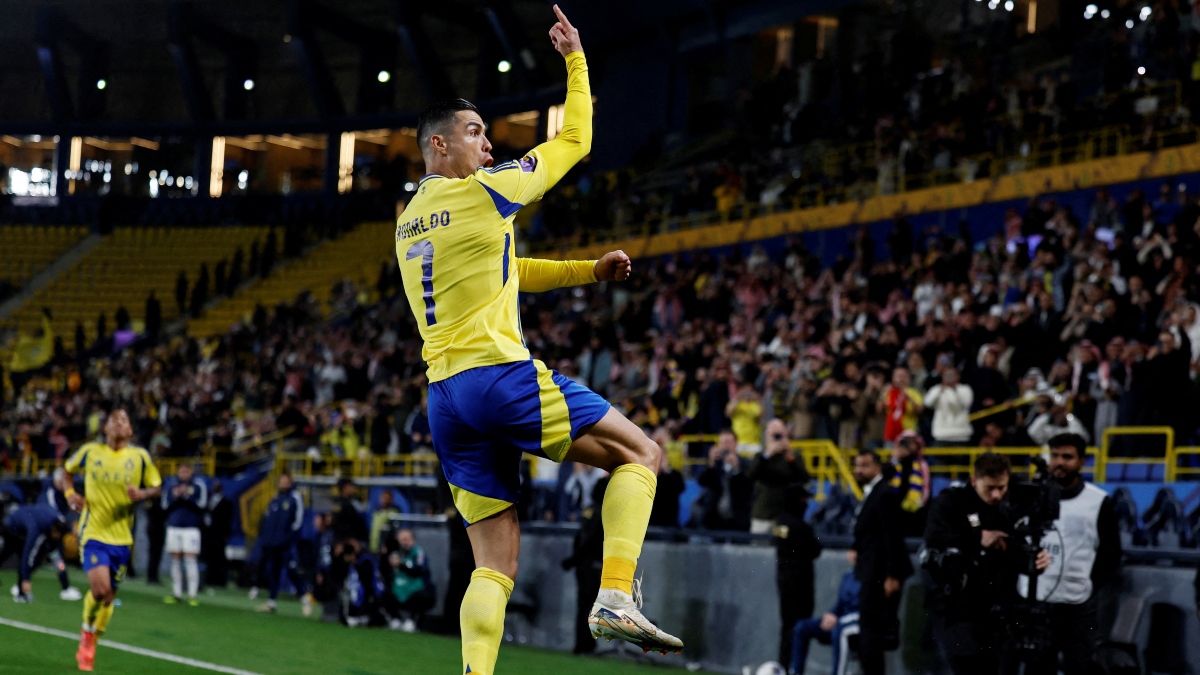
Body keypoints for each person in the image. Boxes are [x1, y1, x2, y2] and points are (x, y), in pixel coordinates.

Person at [395, 8, 681, 673]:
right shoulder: (485, 193)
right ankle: (615, 593)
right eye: (474, 133)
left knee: (493, 560)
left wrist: (586, 270)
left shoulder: (409, 224)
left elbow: (507, 271)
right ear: (438, 146)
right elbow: (577, 138)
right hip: (499, 377)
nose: (487, 147)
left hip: (445, 400)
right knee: (641, 453)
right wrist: (576, 58)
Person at [923, 453, 1050, 675]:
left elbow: (1017, 552)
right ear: (974, 480)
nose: (996, 494)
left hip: (999, 611)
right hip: (958, 607)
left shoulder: (1009, 508)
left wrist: (1036, 561)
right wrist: (977, 538)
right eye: (989, 488)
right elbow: (934, 538)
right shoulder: (951, 502)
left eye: (1001, 488)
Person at [1012, 433, 1121, 675]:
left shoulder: (1098, 501)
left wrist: (1090, 584)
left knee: (1079, 667)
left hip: (1076, 607)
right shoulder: (1032, 495)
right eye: (1055, 456)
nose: (1059, 462)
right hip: (1034, 601)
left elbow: (1111, 554)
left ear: (1082, 461)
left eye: (1067, 457)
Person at [64, 408, 163, 671]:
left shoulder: (140, 457)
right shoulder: (90, 452)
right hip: (93, 532)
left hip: (122, 538)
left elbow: (157, 487)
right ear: (105, 428)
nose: (119, 424)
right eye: (114, 420)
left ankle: (93, 640)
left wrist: (142, 494)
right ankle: (86, 634)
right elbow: (66, 470)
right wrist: (70, 494)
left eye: (125, 420)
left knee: (108, 597)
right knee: (99, 590)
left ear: (130, 430)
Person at [850, 450, 913, 675]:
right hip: (872, 568)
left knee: (871, 631)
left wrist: (892, 575)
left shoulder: (883, 493)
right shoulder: (875, 492)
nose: (858, 470)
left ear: (877, 467)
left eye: (864, 465)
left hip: (878, 573)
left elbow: (891, 535)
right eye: (857, 465)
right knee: (869, 630)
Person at [772, 482, 821, 668]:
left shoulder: (779, 523)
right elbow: (816, 549)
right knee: (800, 628)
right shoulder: (801, 527)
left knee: (786, 627)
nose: (806, 503)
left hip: (784, 582)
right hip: (801, 584)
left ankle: (783, 665)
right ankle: (795, 668)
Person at [562, 477, 607, 654]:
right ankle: (586, 644)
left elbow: (581, 538)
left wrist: (573, 560)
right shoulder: (606, 512)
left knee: (584, 605)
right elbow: (591, 540)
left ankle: (582, 643)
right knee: (591, 606)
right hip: (595, 563)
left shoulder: (589, 510)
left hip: (583, 564)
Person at [790, 570, 862, 675]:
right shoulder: (847, 577)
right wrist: (831, 615)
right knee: (802, 627)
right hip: (840, 621)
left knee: (839, 630)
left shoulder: (871, 576)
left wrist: (838, 620)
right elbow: (839, 605)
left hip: (858, 624)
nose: (853, 554)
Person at [747, 418, 810, 534]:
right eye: (774, 435)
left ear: (786, 434)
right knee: (758, 547)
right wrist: (768, 455)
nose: (777, 439)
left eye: (779, 435)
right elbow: (751, 475)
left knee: (780, 545)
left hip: (784, 514)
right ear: (767, 436)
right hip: (762, 515)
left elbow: (805, 478)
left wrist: (790, 458)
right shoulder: (760, 457)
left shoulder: (793, 457)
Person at [0, 504, 73, 602]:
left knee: (44, 556)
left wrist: (65, 584)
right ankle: (21, 591)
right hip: (12, 527)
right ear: (54, 531)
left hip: (23, 527)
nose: (58, 539)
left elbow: (57, 557)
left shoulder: (56, 527)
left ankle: (66, 587)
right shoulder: (36, 529)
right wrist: (26, 579)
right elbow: (28, 553)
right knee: (13, 554)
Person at [255, 473, 305, 613]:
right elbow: (267, 519)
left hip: (286, 542)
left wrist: (289, 537)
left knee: (290, 568)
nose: (282, 484)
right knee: (273, 570)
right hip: (272, 542)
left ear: (290, 483)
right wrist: (266, 538)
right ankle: (271, 601)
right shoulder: (275, 499)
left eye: (285, 481)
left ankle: (303, 594)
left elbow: (298, 521)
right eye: (280, 481)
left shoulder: (295, 497)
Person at [162, 463, 207, 606]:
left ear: (190, 472)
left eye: (186, 471)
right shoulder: (171, 484)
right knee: (175, 560)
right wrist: (175, 497)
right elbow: (165, 505)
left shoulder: (198, 485)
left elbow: (203, 505)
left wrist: (187, 496)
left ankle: (192, 595)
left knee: (190, 560)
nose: (183, 474)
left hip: (191, 529)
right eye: (181, 472)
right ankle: (177, 593)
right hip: (174, 527)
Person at [695, 430, 752, 530]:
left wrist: (737, 468)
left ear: (736, 443)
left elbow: (749, 486)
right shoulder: (714, 465)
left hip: (739, 519)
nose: (725, 446)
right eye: (722, 442)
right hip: (716, 519)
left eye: (728, 442)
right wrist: (711, 463)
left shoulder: (745, 464)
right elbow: (701, 481)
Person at [385, 529, 435, 632]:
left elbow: (419, 569)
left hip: (415, 588)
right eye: (402, 540)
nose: (404, 542)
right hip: (399, 588)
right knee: (384, 593)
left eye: (407, 539)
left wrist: (401, 565)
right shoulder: (394, 554)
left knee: (421, 596)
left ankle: (412, 620)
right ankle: (395, 619)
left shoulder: (418, 552)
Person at [888, 431, 931, 536]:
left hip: (916, 508)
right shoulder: (893, 462)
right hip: (895, 505)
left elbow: (926, 485)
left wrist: (922, 501)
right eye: (906, 443)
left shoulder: (922, 464)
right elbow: (886, 478)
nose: (910, 446)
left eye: (912, 443)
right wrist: (895, 459)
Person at [924, 366, 974, 446]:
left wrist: (954, 389)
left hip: (961, 435)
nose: (949, 377)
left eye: (952, 375)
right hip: (941, 435)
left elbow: (965, 404)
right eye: (947, 375)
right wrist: (941, 389)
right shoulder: (937, 389)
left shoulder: (965, 389)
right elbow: (928, 403)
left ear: (958, 376)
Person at [879, 367, 923, 443]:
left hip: (908, 433)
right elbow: (879, 410)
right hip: (891, 433)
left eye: (904, 376)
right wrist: (883, 394)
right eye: (899, 376)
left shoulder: (914, 393)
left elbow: (920, 410)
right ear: (893, 378)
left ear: (909, 378)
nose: (901, 379)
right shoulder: (889, 392)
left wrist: (908, 397)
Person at [204, 479, 234, 588]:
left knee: (220, 557)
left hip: (220, 534)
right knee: (210, 557)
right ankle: (210, 579)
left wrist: (226, 534)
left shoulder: (226, 502)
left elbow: (228, 519)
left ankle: (221, 580)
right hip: (210, 534)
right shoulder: (209, 499)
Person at [331, 478, 369, 545]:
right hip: (343, 539)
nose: (354, 488)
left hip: (357, 537)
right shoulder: (338, 502)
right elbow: (338, 522)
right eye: (351, 486)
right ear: (345, 488)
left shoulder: (355, 501)